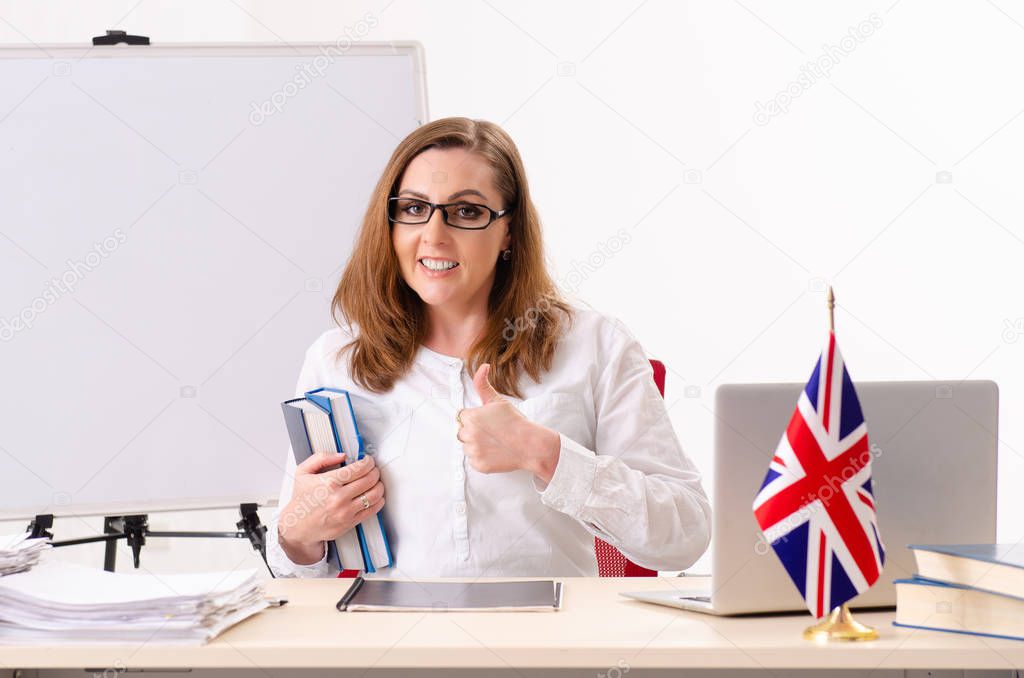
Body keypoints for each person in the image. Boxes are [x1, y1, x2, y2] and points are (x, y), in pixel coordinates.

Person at [268, 117, 710, 578]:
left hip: (550, 643)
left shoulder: (596, 345)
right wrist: (300, 535)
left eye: (467, 212)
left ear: (510, 232)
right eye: (415, 208)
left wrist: (545, 454)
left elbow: (686, 535)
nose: (434, 236)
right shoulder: (335, 360)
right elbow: (293, 573)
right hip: (396, 643)